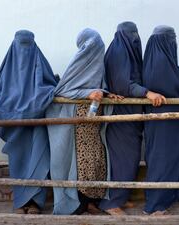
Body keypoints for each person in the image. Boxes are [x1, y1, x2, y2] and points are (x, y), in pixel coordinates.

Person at [46, 28, 120, 215]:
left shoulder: (99, 63)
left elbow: (97, 85)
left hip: (94, 121)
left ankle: (91, 201)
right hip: (79, 121)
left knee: (96, 160)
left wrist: (104, 93)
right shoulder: (78, 62)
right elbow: (62, 91)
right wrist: (86, 93)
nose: (98, 48)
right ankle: (78, 203)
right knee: (81, 162)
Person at [0, 30, 57, 214]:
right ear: (14, 46)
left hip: (36, 126)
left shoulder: (39, 62)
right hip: (15, 128)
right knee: (19, 161)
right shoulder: (7, 68)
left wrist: (41, 95)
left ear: (33, 46)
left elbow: (51, 86)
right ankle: (20, 202)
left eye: (27, 45)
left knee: (39, 160)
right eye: (21, 45)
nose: (24, 51)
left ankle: (36, 203)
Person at [98, 21, 166, 216]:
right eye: (131, 33)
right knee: (122, 159)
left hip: (131, 114)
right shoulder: (119, 52)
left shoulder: (128, 53)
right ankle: (110, 203)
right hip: (120, 116)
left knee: (131, 157)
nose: (135, 37)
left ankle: (120, 197)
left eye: (136, 32)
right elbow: (123, 85)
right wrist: (147, 93)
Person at [142, 25, 179, 215]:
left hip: (163, 123)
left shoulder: (152, 60)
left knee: (163, 159)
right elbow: (172, 88)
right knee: (162, 159)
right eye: (172, 39)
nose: (174, 43)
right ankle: (156, 204)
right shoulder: (162, 64)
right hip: (165, 122)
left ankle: (165, 197)